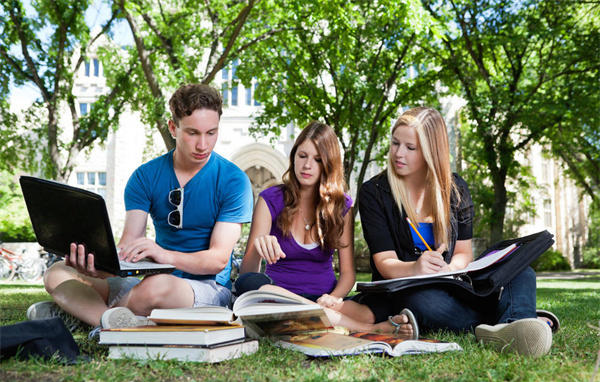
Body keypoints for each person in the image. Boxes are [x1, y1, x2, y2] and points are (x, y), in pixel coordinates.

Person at [27, 83, 254, 332]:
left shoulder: (233, 180)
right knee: (57, 273)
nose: (203, 145)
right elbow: (129, 245)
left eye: (211, 133)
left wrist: (164, 255)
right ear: (173, 128)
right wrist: (104, 268)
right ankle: (111, 322)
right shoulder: (145, 176)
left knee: (155, 287)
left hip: (207, 289)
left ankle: (86, 316)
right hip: (147, 282)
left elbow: (217, 260)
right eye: (192, 133)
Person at [356, 106, 558, 357]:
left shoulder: (455, 188)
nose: (398, 153)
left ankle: (509, 326)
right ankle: (516, 319)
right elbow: (384, 262)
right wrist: (416, 268)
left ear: (432, 152)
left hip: (456, 284)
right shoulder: (374, 192)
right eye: (395, 143)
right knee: (423, 303)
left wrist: (449, 269)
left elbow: (463, 253)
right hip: (410, 289)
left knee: (522, 272)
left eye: (410, 148)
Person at [235, 121, 418, 337]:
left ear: (328, 164)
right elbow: (247, 273)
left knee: (376, 307)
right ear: (293, 156)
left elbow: (348, 273)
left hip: (325, 299)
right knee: (248, 285)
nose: (307, 165)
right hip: (279, 298)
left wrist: (334, 297)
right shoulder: (270, 199)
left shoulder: (341, 208)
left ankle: (310, 319)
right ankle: (367, 329)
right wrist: (259, 246)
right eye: (302, 156)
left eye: (318, 160)